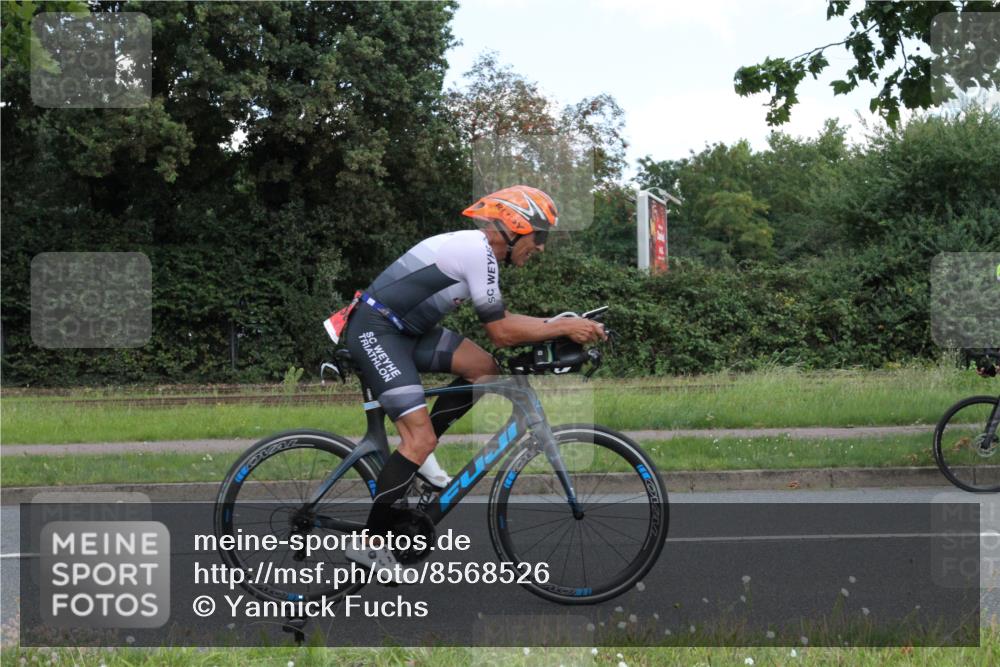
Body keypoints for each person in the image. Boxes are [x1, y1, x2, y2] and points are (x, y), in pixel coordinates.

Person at [337, 185, 606, 579]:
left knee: (483, 369)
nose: (540, 246)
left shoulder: (483, 255)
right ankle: (371, 543)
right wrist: (563, 326)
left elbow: (503, 319)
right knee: (418, 439)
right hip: (378, 331)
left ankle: (421, 458)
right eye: (539, 235)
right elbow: (502, 332)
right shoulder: (477, 251)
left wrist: (561, 324)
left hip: (406, 331)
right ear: (514, 226)